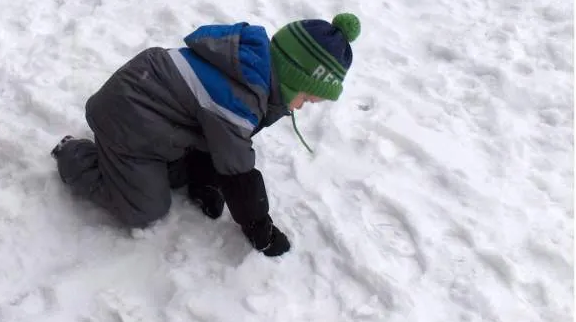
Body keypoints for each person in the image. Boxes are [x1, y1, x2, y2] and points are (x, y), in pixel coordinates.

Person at [51, 13, 361, 258]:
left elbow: (210, 134)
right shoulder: (238, 99)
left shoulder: (250, 71)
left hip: (156, 117)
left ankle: (153, 170)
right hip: (125, 120)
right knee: (145, 210)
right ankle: (75, 155)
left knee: (176, 177)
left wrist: (204, 182)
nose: (302, 107)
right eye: (306, 98)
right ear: (293, 78)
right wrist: (259, 229)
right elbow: (238, 169)